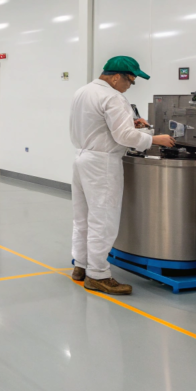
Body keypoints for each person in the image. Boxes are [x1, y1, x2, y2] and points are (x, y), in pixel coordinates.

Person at [69, 56, 176, 295]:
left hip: (82, 158)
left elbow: (99, 125)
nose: (130, 86)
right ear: (116, 77)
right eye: (130, 80)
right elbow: (124, 137)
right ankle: (98, 275)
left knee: (82, 218)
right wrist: (154, 139)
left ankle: (81, 266)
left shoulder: (83, 92)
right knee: (103, 220)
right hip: (103, 164)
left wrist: (130, 123)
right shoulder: (113, 97)